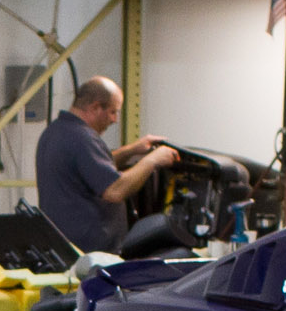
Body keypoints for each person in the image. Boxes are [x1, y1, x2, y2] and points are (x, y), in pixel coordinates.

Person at [35, 76, 180, 255]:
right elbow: (115, 190)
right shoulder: (83, 138)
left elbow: (90, 167)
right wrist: (152, 160)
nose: (115, 120)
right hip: (89, 254)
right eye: (113, 112)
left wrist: (132, 150)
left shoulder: (57, 131)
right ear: (95, 107)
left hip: (65, 246)